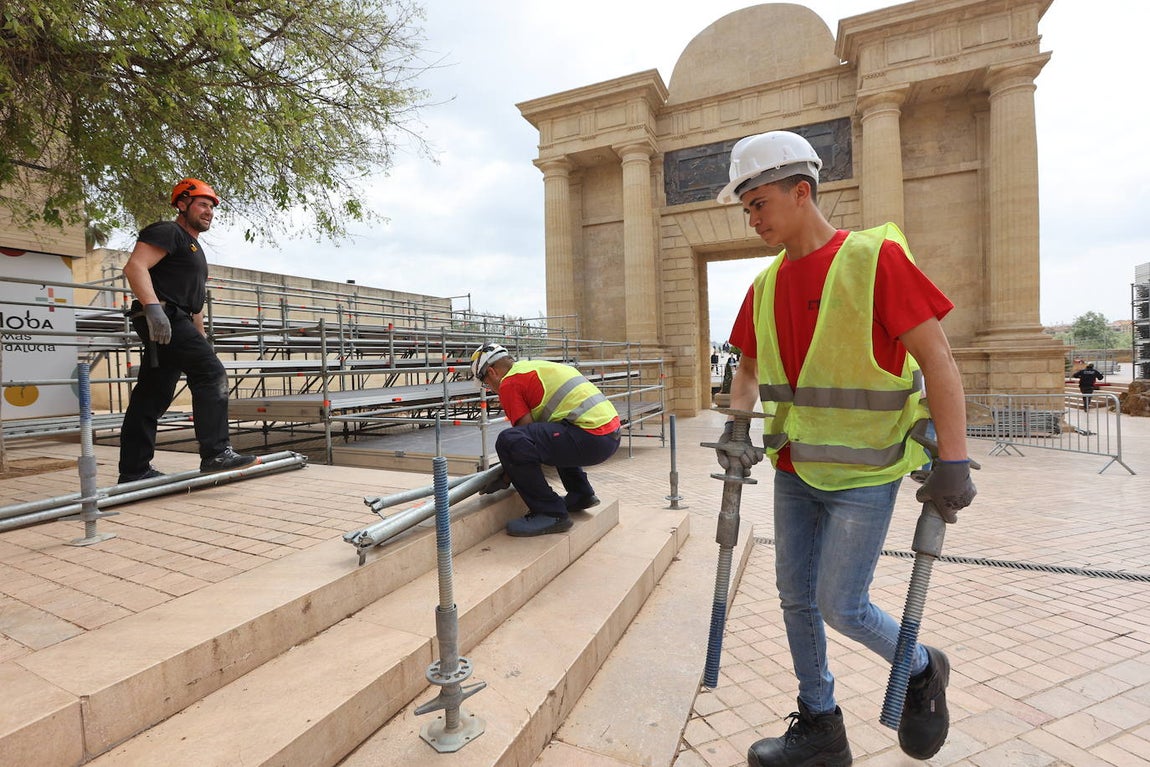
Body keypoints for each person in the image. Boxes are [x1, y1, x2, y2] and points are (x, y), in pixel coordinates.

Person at [712, 131, 976, 766]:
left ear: (801, 192)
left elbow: (936, 357)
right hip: (794, 467)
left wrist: (955, 459)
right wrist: (736, 426)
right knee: (794, 597)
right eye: (745, 208)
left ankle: (919, 666)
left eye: (759, 202)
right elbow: (746, 368)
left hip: (865, 471)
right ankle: (821, 725)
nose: (753, 218)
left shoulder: (871, 261)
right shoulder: (766, 284)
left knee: (841, 604)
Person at [117, 178, 259, 483]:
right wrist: (153, 309)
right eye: (202, 204)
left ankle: (134, 470)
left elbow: (195, 302)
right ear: (182, 204)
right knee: (210, 374)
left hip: (177, 319)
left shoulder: (195, 248)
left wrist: (201, 336)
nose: (209, 211)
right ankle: (216, 453)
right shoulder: (169, 232)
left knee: (151, 396)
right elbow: (135, 266)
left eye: (211, 207)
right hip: (163, 316)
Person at [470, 343, 621, 537]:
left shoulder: (510, 382)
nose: (490, 389)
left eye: (485, 383)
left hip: (593, 437)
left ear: (492, 372)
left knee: (508, 440)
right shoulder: (532, 367)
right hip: (609, 435)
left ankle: (550, 512)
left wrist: (506, 478)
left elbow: (522, 440)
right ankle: (581, 494)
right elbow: (542, 438)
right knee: (553, 432)